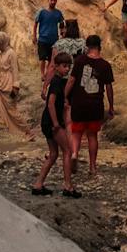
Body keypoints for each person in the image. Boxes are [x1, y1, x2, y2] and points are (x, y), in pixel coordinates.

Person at [68, 34, 115, 176]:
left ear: (87, 47)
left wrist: (64, 96)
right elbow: (108, 88)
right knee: (92, 136)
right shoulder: (105, 65)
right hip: (95, 104)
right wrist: (111, 106)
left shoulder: (80, 60)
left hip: (79, 102)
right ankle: (93, 166)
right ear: (99, 46)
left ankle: (75, 153)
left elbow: (71, 80)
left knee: (76, 132)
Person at [33, 53, 78, 195]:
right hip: (52, 122)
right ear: (57, 67)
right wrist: (56, 124)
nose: (67, 69)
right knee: (67, 151)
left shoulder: (58, 81)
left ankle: (38, 184)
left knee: (53, 154)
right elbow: (51, 104)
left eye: (68, 67)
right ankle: (68, 186)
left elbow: (56, 103)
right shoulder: (56, 82)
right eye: (64, 66)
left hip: (47, 121)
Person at [0, 31, 32, 145]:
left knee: (12, 111)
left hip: (8, 85)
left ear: (2, 42)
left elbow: (15, 71)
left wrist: (16, 86)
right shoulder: (0, 53)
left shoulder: (11, 53)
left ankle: (28, 132)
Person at [33, 0, 64, 70]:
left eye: (55, 0)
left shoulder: (58, 13)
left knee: (51, 59)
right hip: (43, 39)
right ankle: (42, 74)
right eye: (51, 0)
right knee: (42, 58)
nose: (53, 2)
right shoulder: (41, 12)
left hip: (54, 40)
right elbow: (35, 24)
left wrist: (62, 34)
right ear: (48, 0)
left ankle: (48, 73)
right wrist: (34, 36)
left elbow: (61, 24)